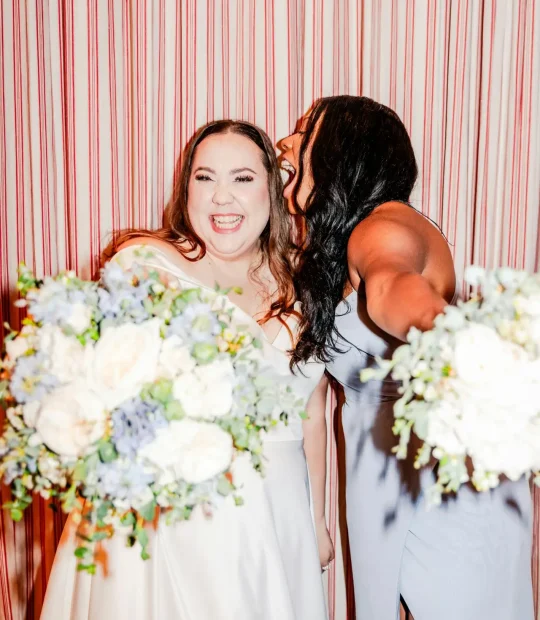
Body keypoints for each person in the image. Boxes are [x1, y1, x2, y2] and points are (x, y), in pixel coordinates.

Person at [41, 120, 332, 620]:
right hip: (182, 514)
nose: (222, 198)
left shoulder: (305, 280)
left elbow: (312, 411)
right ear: (185, 188)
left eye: (242, 178)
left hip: (281, 506)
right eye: (204, 178)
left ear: (272, 186)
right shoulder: (147, 266)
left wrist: (317, 518)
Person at [279, 95, 534, 620]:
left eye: (306, 133)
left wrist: (449, 339)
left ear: (341, 153)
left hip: (437, 480)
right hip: (388, 471)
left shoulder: (381, 231)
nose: (288, 143)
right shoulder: (351, 236)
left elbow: (398, 289)